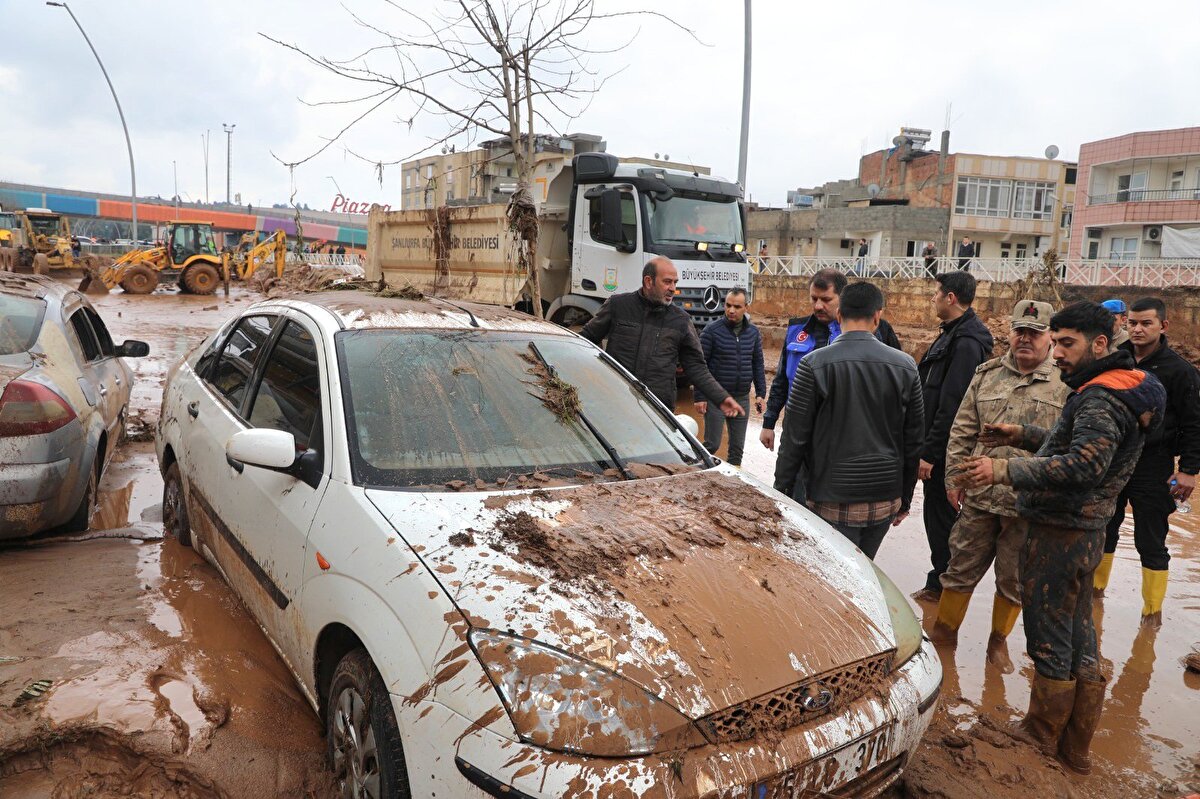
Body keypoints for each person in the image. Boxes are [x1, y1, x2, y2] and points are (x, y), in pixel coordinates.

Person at [959, 301, 1165, 776]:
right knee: (1080, 634)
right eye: (1057, 341)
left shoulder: (1099, 397)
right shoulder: (1128, 386)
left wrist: (1002, 468)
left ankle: (1040, 734)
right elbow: (1078, 445)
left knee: (1049, 634)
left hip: (1060, 530)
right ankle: (1076, 748)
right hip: (1088, 529)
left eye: (1067, 343)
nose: (1058, 352)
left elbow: (1083, 465)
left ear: (1099, 344)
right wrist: (1023, 433)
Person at [932, 300, 1068, 674]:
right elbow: (962, 430)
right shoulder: (987, 374)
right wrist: (954, 479)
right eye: (1019, 331)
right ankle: (944, 636)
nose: (1025, 339)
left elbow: (1068, 449)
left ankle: (998, 643)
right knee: (959, 568)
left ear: (1049, 338)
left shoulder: (1067, 382)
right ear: (1009, 333)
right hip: (978, 497)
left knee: (1014, 581)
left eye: (1034, 333)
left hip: (1029, 505)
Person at [773, 282, 923, 558]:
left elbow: (794, 436)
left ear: (839, 314)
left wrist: (781, 490)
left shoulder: (814, 364)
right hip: (884, 499)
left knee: (831, 580)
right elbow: (913, 440)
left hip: (830, 499)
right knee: (864, 573)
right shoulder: (906, 366)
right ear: (878, 316)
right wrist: (905, 499)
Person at [1096, 297, 1200, 627]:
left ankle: (1151, 615)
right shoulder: (1115, 360)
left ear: (1163, 326)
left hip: (1154, 463)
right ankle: (1094, 597)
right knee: (1103, 529)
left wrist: (1188, 471)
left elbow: (1195, 423)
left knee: (1151, 540)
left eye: (1146, 324)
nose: (1138, 329)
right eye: (1133, 323)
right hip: (1112, 459)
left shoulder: (1180, 371)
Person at [760, 269, 902, 501]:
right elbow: (782, 381)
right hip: (799, 433)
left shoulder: (877, 330)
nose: (818, 306)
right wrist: (769, 422)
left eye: (826, 300)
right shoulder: (797, 331)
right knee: (792, 500)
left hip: (845, 438)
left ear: (842, 299)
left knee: (833, 504)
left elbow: (896, 381)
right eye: (813, 299)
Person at [912, 271, 994, 603]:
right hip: (937, 443)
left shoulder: (966, 342)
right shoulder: (951, 334)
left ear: (950, 298)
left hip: (947, 450)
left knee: (942, 518)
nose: (932, 299)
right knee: (936, 516)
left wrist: (930, 453)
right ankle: (941, 581)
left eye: (935, 293)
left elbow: (954, 404)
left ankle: (944, 588)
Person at [581, 257, 745, 417]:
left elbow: (696, 367)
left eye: (675, 282)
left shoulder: (680, 321)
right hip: (615, 403)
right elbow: (585, 340)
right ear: (648, 281)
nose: (673, 288)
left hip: (658, 411)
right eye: (667, 282)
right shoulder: (618, 306)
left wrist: (721, 397)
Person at [695, 288, 765, 467]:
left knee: (737, 449)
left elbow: (757, 363)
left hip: (741, 398)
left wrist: (760, 394)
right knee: (712, 444)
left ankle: (735, 484)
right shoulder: (712, 331)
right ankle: (695, 471)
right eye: (728, 305)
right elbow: (699, 366)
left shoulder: (753, 333)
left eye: (737, 306)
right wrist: (700, 397)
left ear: (746, 308)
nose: (731, 310)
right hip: (717, 398)